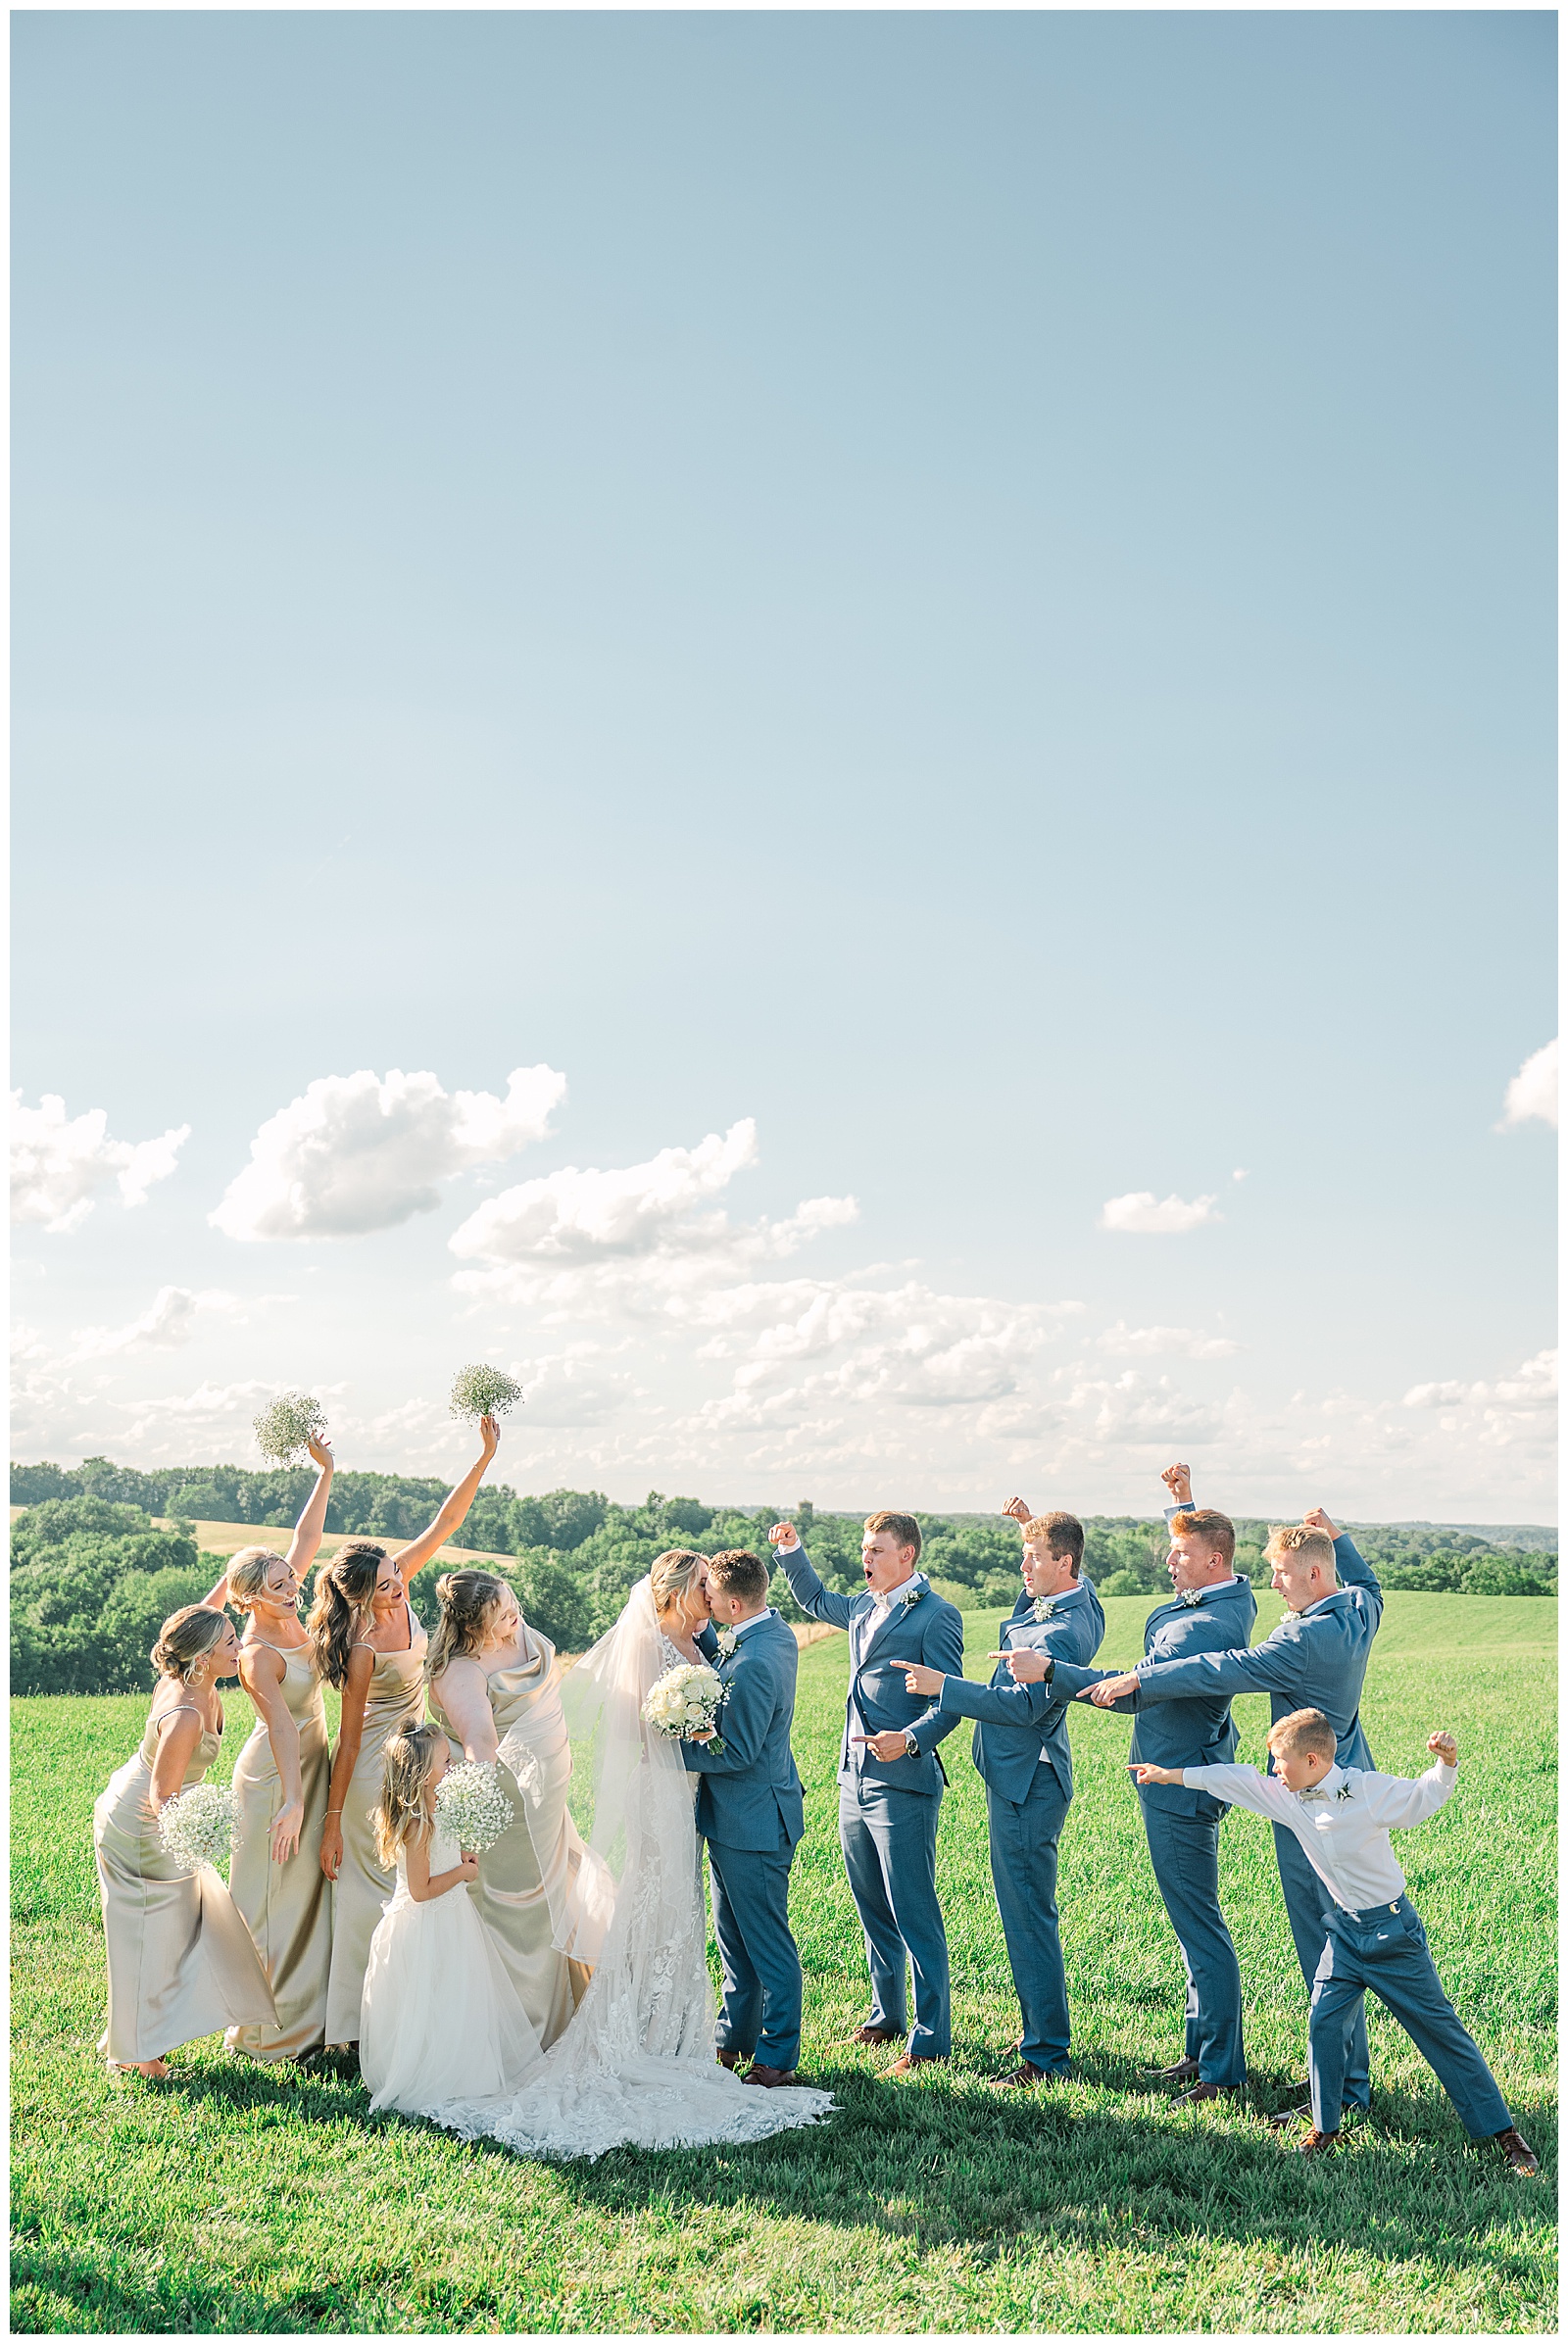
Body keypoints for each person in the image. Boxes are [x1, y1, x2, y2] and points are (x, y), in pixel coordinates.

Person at [426, 1566, 835, 2158]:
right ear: (676, 1593)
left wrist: (693, 1733)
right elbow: (640, 1728)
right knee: (662, 1898)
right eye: (701, 1586)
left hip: (696, 1793)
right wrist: (679, 1733)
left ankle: (697, 2032)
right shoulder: (649, 1644)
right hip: (659, 1792)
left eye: (713, 1589)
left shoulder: (710, 1642)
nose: (709, 1597)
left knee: (696, 1911)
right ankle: (652, 2031)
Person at [1132, 1708, 1540, 2176]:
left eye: (1280, 1762)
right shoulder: (1288, 1795)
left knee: (1441, 2032)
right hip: (1344, 1934)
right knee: (1324, 2023)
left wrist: (1445, 1766)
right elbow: (1233, 1779)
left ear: (1311, 1759)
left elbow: (1419, 1797)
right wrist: (1170, 1774)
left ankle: (1505, 2134)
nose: (1273, 1771)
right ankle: (1326, 2127)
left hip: (1393, 1936)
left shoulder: (1365, 1791)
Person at [1085, 1502, 1382, 2126]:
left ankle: (1345, 2093)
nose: (1271, 1582)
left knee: (1322, 1946)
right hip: (1349, 1787)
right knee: (1336, 1939)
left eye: (1280, 1573)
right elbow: (1370, 1583)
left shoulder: (1301, 1639)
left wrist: (1138, 1681)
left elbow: (1222, 1666)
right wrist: (1338, 1535)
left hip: (1310, 1812)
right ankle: (1344, 2080)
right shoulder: (1358, 1612)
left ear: (1314, 1577)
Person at [1024, 1464, 1256, 2101]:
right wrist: (1182, 1504)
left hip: (1179, 1785)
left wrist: (1051, 1671)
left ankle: (1221, 2073)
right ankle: (1199, 2049)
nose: (1169, 1563)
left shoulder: (1204, 1626)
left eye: (1180, 1556)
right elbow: (1204, 1539)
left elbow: (1129, 1696)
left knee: (1199, 1926)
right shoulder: (1233, 1592)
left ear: (1213, 1561)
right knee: (1191, 1924)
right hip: (1181, 1774)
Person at [313, 1413, 503, 2049]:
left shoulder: (398, 1578)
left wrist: (484, 1456)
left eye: (399, 1581)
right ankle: (355, 2029)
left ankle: (409, 2015)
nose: (399, 1591)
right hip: (374, 1768)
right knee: (373, 1897)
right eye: (387, 1590)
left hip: (419, 1757)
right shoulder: (363, 1645)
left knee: (415, 1887)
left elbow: (446, 1522)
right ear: (362, 1599)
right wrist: (333, 1820)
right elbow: (346, 1738)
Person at [902, 1510, 1103, 2086]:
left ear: (1065, 1563)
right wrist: (1034, 1525)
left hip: (1027, 1784)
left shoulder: (1066, 1631)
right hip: (1017, 1775)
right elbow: (1031, 1606)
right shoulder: (1067, 1598)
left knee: (1027, 1918)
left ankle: (1046, 2055)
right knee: (1024, 1913)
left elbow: (1020, 1707)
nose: (1023, 1567)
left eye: (1034, 1557)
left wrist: (945, 1687)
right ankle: (1041, 2035)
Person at [770, 1511, 964, 2072]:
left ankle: (930, 2042)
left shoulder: (936, 1616)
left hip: (903, 1780)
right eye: (864, 1549)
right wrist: (792, 1550)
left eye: (877, 1550)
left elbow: (948, 1701)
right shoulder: (860, 1605)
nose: (866, 1558)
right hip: (851, 1777)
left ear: (907, 1555)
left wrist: (907, 1740)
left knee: (912, 1909)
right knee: (872, 1906)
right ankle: (886, 2016)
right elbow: (814, 1598)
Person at [92, 1604, 275, 2076]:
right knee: (151, 1938)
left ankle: (142, 2036)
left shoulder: (202, 1685)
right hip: (142, 1827)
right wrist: (206, 1833)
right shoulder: (187, 1714)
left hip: (159, 1817)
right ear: (201, 1656)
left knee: (173, 1936)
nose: (240, 1647)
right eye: (230, 1641)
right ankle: (134, 2053)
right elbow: (163, 1796)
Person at [425, 1566, 587, 2047]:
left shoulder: (521, 1633)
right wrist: (480, 1809)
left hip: (546, 1799)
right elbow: (479, 1739)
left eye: (512, 1603)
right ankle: (518, 2035)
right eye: (502, 1613)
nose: (516, 1616)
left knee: (557, 1902)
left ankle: (565, 2025)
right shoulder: (460, 1669)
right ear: (473, 1626)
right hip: (501, 1807)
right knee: (517, 1916)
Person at [216, 1433, 336, 2061]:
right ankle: (262, 2033)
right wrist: (292, 1802)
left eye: (292, 1580)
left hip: (312, 1764)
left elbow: (308, 1539)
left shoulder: (294, 1612)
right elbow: (283, 1727)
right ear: (247, 1600)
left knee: (309, 1892)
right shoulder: (257, 1654)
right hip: (274, 1779)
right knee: (270, 1897)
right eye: (277, 1586)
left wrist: (327, 1472)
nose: (292, 1588)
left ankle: (310, 2022)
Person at [358, 1721, 540, 2116]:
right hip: (427, 1928)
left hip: (451, 1920)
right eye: (446, 1761)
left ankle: (465, 2071)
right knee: (431, 2002)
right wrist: (463, 1873)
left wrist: (460, 1859)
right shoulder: (418, 1824)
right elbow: (421, 1891)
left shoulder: (437, 1807)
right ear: (423, 1774)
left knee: (458, 1997)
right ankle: (434, 2075)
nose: (453, 1766)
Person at [682, 1547, 810, 2087]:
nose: (704, 1599)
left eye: (710, 1593)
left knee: (766, 1944)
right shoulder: (771, 1633)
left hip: (755, 1820)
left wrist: (674, 1752)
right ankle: (735, 2038)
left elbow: (738, 1751)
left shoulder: (757, 1661)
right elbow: (726, 1656)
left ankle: (777, 2056)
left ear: (733, 1603)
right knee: (733, 1938)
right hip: (738, 1816)